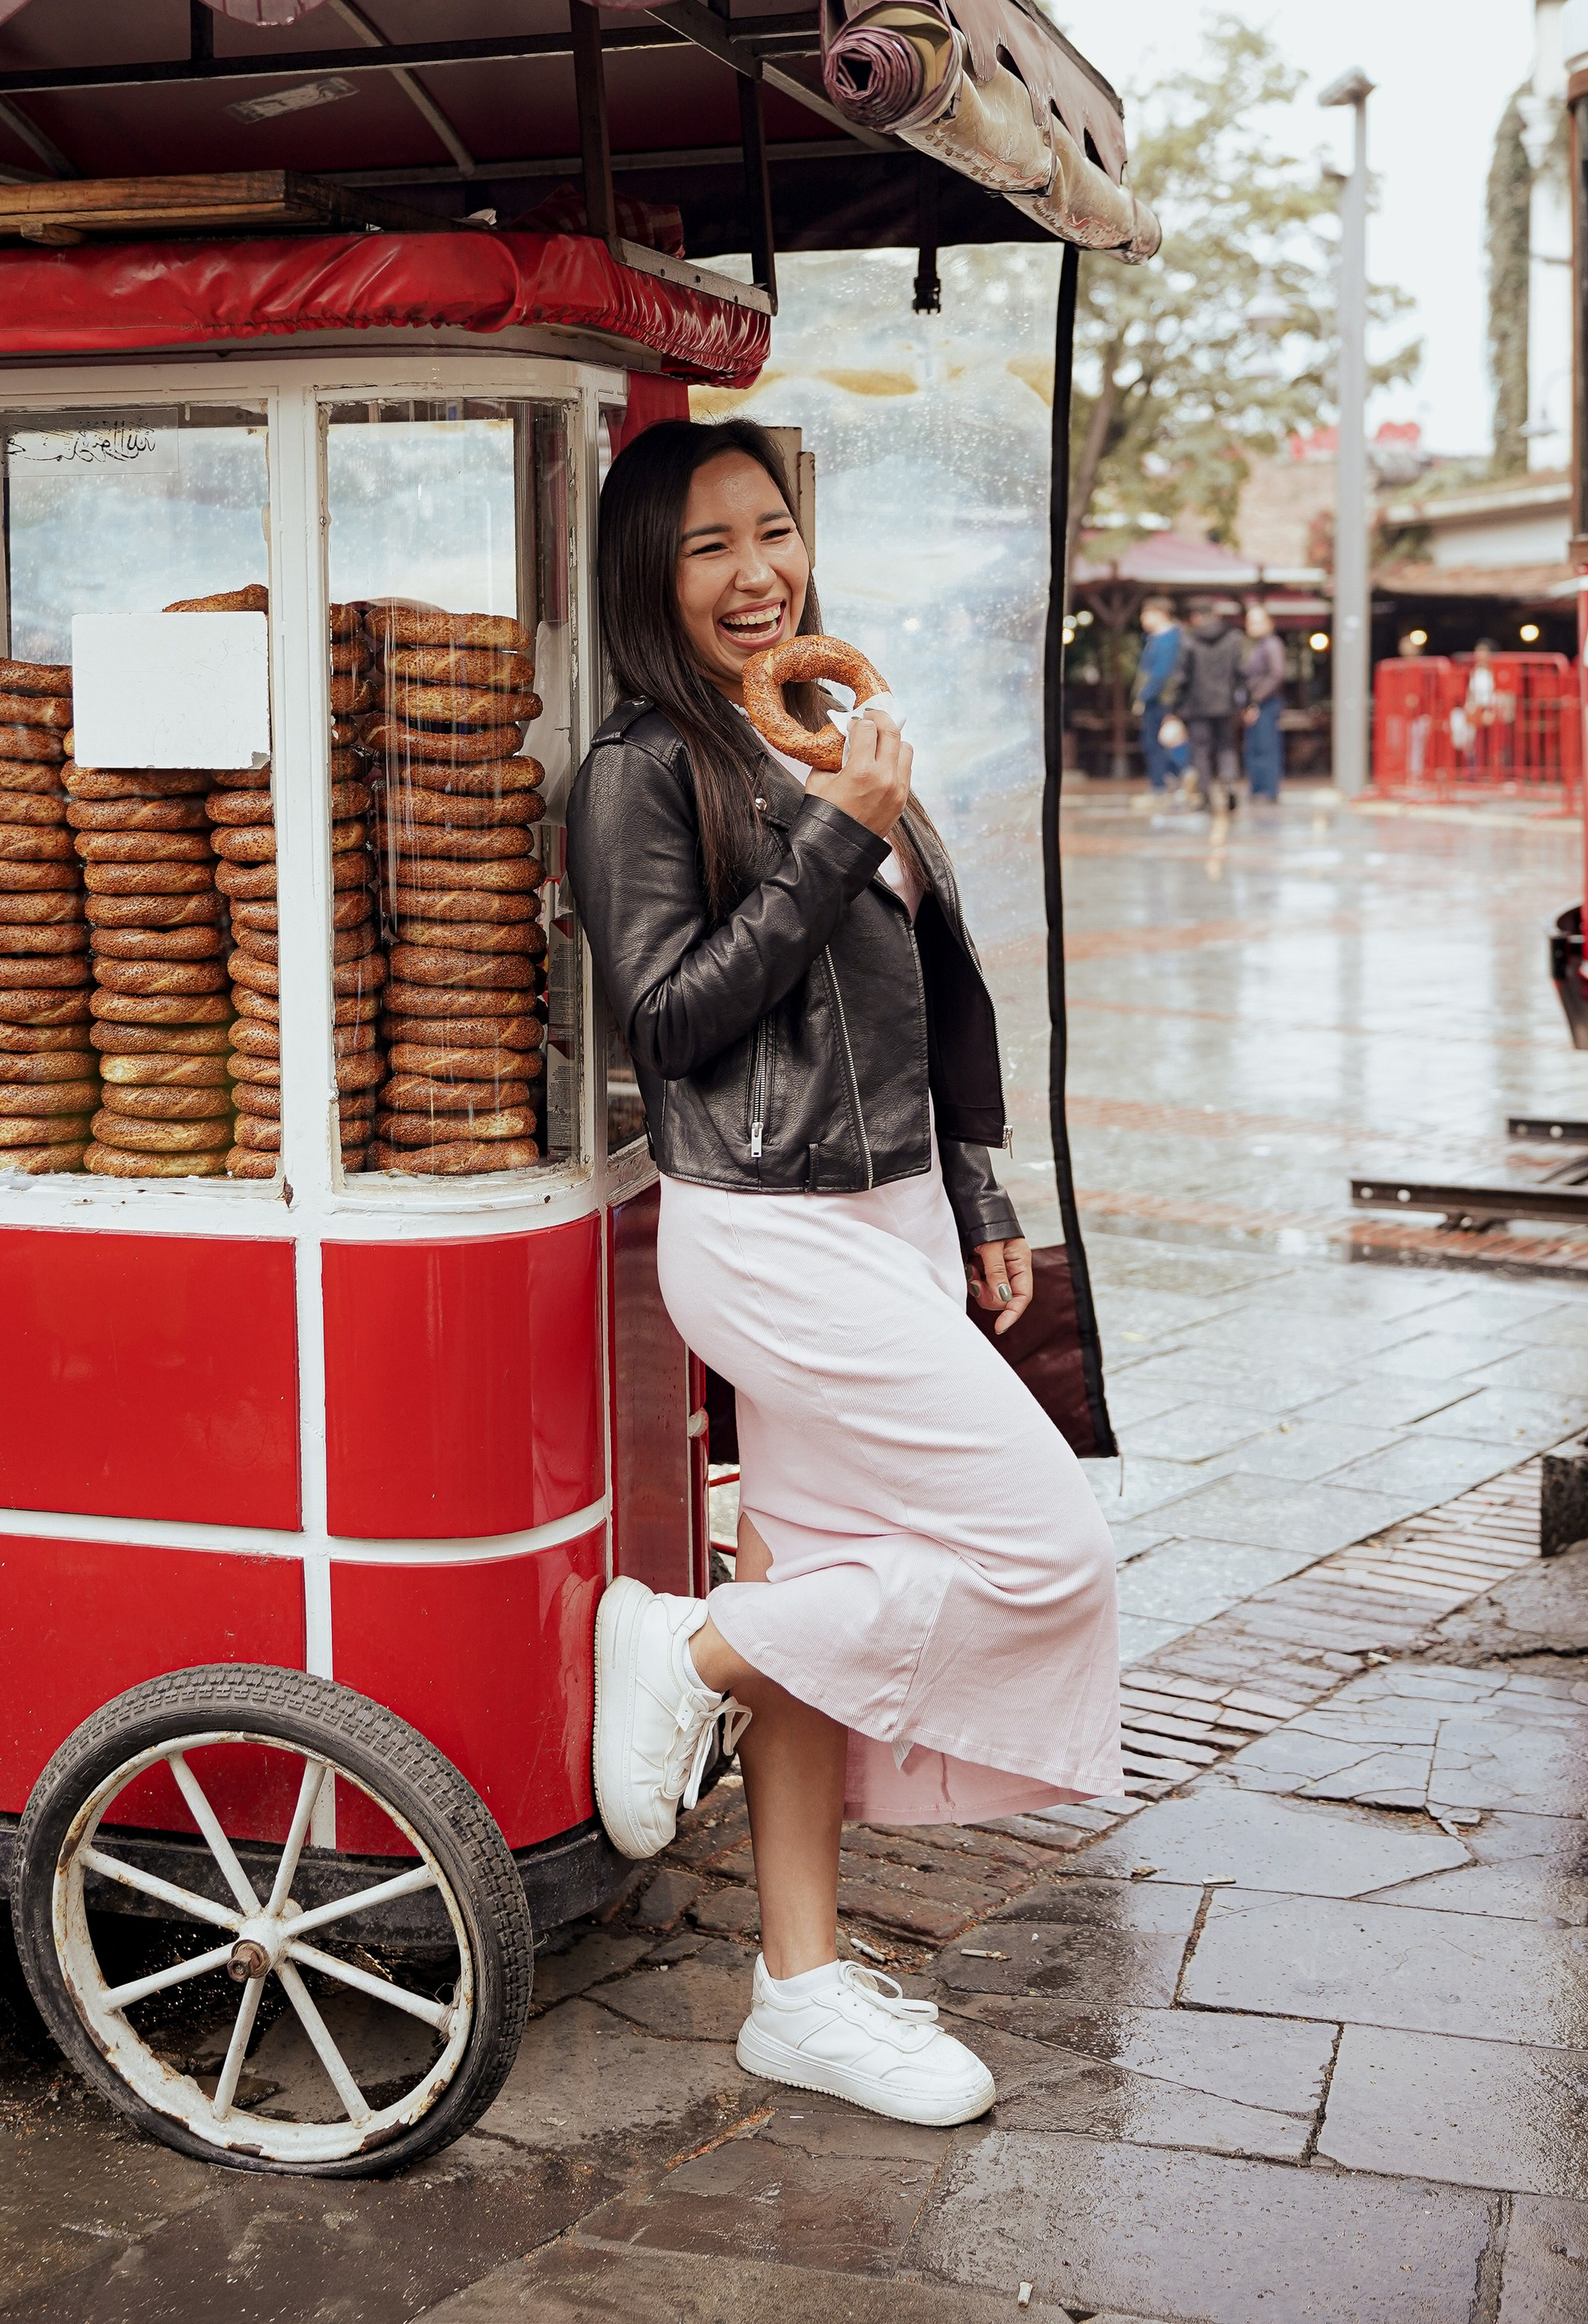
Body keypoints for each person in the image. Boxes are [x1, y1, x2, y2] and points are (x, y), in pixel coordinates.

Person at [567, 418, 1122, 2131]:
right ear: (649, 583)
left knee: (846, 1572)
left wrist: (974, 1185)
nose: (758, 576)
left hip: (884, 1214)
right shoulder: (639, 768)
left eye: (774, 532)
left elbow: (921, 986)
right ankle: (694, 1652)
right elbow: (665, 1017)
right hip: (764, 1228)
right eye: (709, 548)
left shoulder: (814, 724)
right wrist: (833, 830)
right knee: (1049, 1553)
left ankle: (797, 1989)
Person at [1163, 599, 1244, 811]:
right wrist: (1245, 702)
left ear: (1196, 617)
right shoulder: (1233, 638)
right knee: (1227, 747)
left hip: (1197, 706)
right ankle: (1228, 782)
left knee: (1201, 751)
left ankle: (1205, 795)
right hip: (1225, 705)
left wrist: (1174, 707)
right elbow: (1241, 673)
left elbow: (1181, 677)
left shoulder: (1189, 640)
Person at [1133, 597, 1189, 792]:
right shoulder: (1154, 639)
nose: (1143, 618)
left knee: (1164, 743)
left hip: (1163, 701)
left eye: (1147, 613)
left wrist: (1145, 696)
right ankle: (1166, 781)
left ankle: (1164, 784)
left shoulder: (1169, 639)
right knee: (1156, 743)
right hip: (1157, 699)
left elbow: (1161, 673)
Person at [1239, 602, 1286, 804]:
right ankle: (1257, 787)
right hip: (1255, 702)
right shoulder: (1255, 646)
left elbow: (1276, 675)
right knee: (1254, 747)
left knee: (1266, 747)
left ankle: (1268, 789)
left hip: (1266, 703)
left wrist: (1255, 700)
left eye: (1258, 621)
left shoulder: (1272, 645)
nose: (1253, 626)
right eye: (1251, 622)